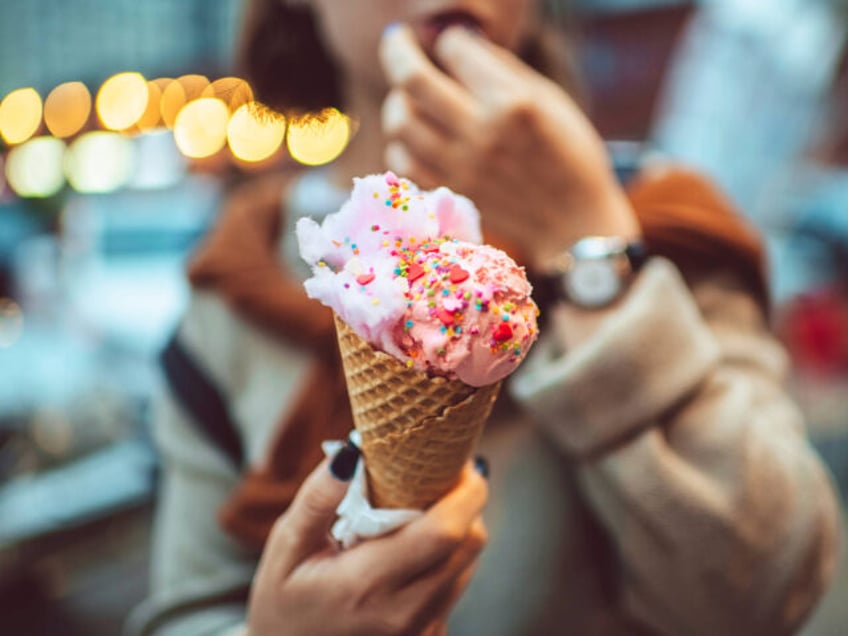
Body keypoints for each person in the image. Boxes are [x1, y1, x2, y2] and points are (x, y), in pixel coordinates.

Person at [127, 1, 840, 634]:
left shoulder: (669, 225)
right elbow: (186, 608)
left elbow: (774, 590)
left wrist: (587, 237)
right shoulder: (234, 285)